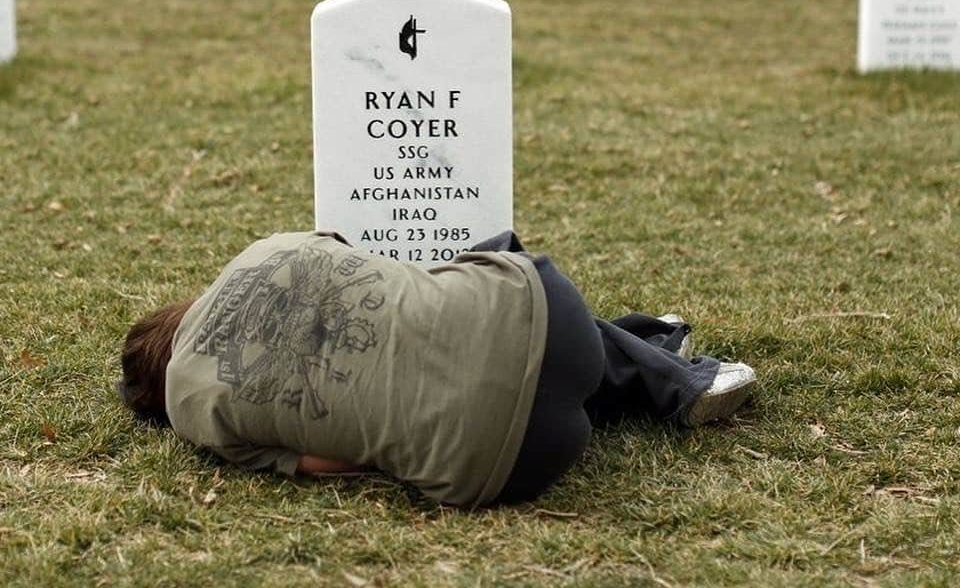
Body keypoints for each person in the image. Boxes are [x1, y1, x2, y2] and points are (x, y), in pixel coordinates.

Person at [119, 230, 756, 509]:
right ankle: (664, 359)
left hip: (503, 465)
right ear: (180, 311)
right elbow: (378, 271)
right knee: (492, 258)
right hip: (556, 327)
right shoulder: (259, 254)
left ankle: (652, 349)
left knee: (506, 379)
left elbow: (334, 466)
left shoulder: (193, 414)